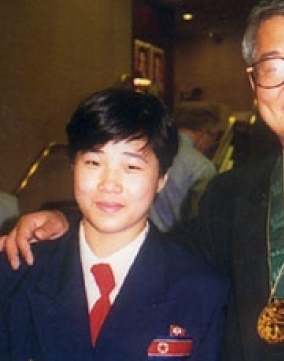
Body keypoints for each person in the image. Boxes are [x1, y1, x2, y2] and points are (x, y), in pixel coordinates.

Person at [3, 0, 284, 359]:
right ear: (253, 84)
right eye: (272, 66)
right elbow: (151, 256)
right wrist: (68, 224)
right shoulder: (229, 194)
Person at [0, 88, 228, 360]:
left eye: (131, 167)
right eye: (94, 162)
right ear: (73, 166)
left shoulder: (201, 288)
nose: (109, 184)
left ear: (161, 179)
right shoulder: (17, 270)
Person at [149, 105, 220, 232]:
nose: (213, 144)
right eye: (214, 137)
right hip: (175, 243)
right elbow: (200, 218)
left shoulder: (148, 151)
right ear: (203, 133)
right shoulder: (201, 166)